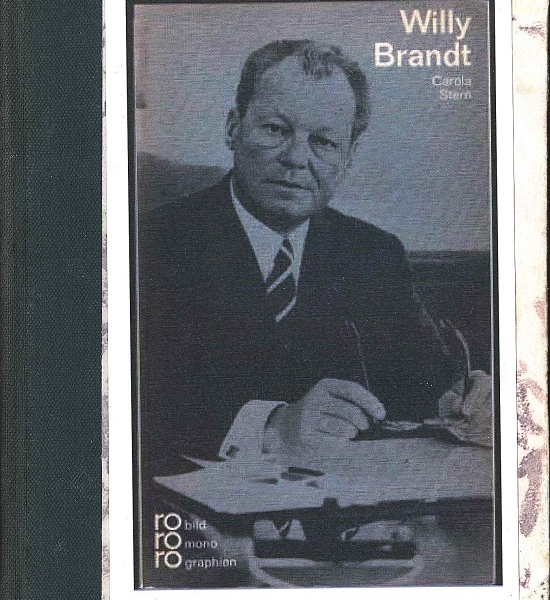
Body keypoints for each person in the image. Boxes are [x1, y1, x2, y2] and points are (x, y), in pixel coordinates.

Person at [140, 40, 491, 478]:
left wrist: (460, 399)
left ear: (348, 156)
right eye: (275, 130)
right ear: (233, 129)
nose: (296, 159)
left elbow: (422, 382)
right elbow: (130, 399)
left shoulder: (373, 253)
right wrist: (270, 428)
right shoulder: (153, 243)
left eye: (323, 141)